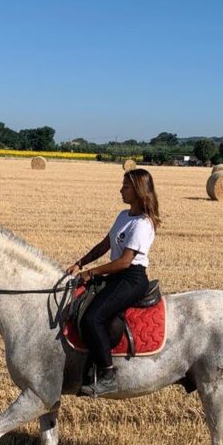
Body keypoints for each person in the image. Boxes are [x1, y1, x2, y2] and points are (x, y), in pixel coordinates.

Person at [66, 168, 161, 397]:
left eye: (126, 186)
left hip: (132, 278)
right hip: (117, 276)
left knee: (92, 318)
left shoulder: (143, 224)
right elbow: (104, 245)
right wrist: (80, 263)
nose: (121, 190)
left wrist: (91, 273)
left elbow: (125, 262)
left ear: (138, 191)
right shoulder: (123, 216)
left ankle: (108, 376)